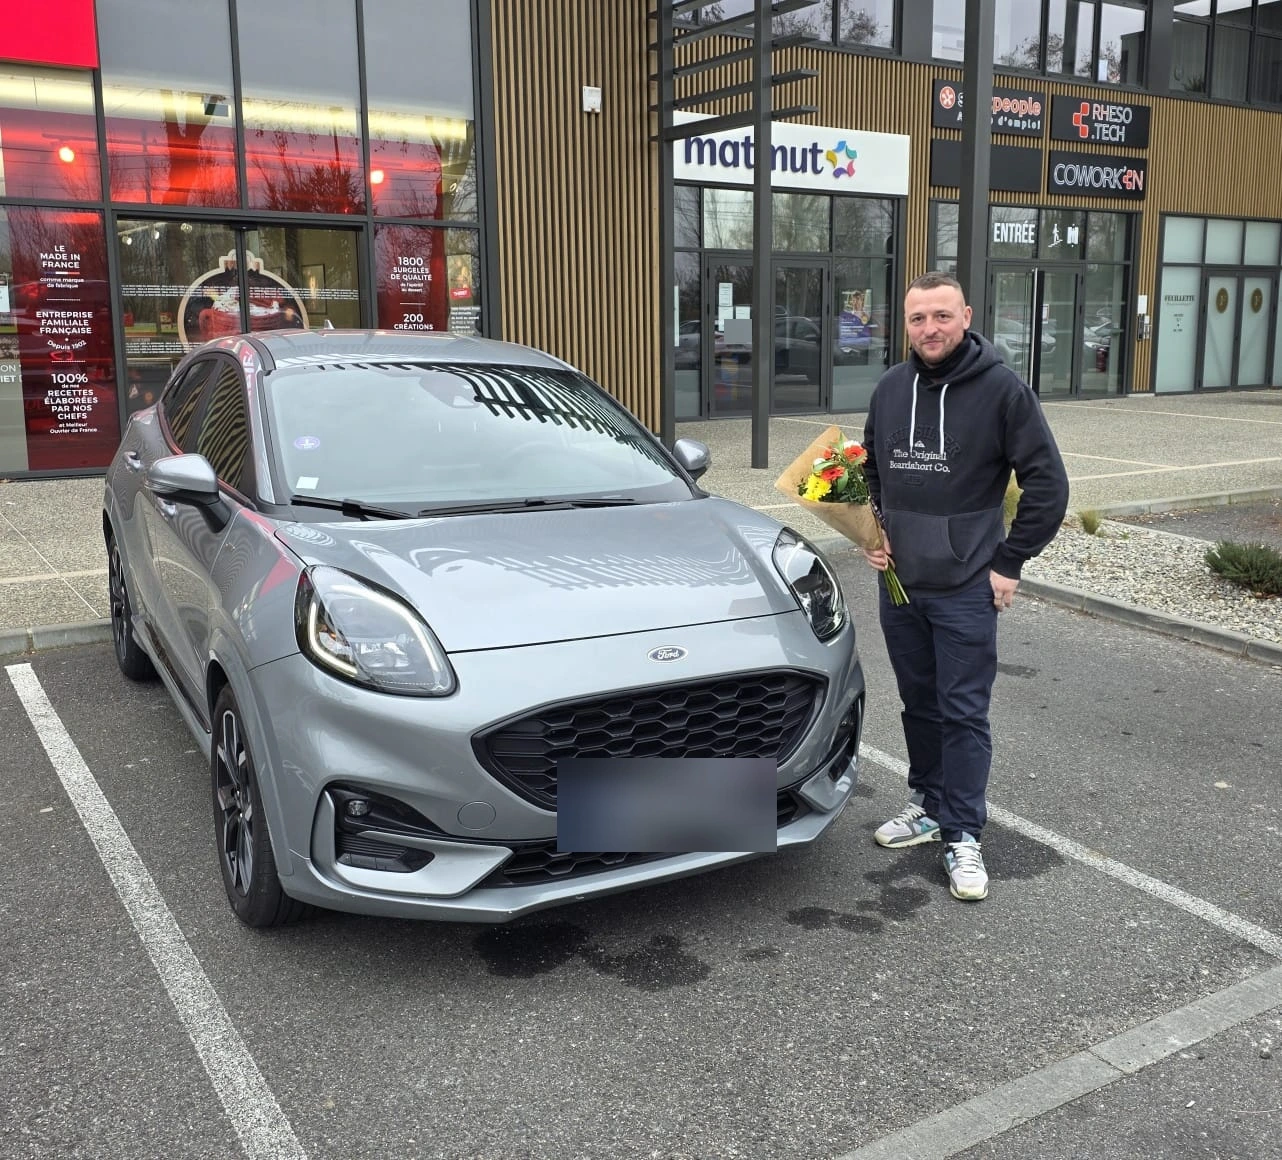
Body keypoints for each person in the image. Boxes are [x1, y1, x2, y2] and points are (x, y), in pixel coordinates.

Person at [860, 271, 1069, 902]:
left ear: (967, 316)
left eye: (942, 316)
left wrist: (1010, 561)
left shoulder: (1003, 390)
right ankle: (928, 804)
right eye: (918, 318)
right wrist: (872, 531)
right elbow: (871, 469)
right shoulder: (890, 389)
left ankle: (963, 832)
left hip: (966, 587)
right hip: (900, 585)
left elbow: (1048, 484)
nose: (930, 329)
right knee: (919, 703)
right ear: (906, 325)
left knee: (963, 711)